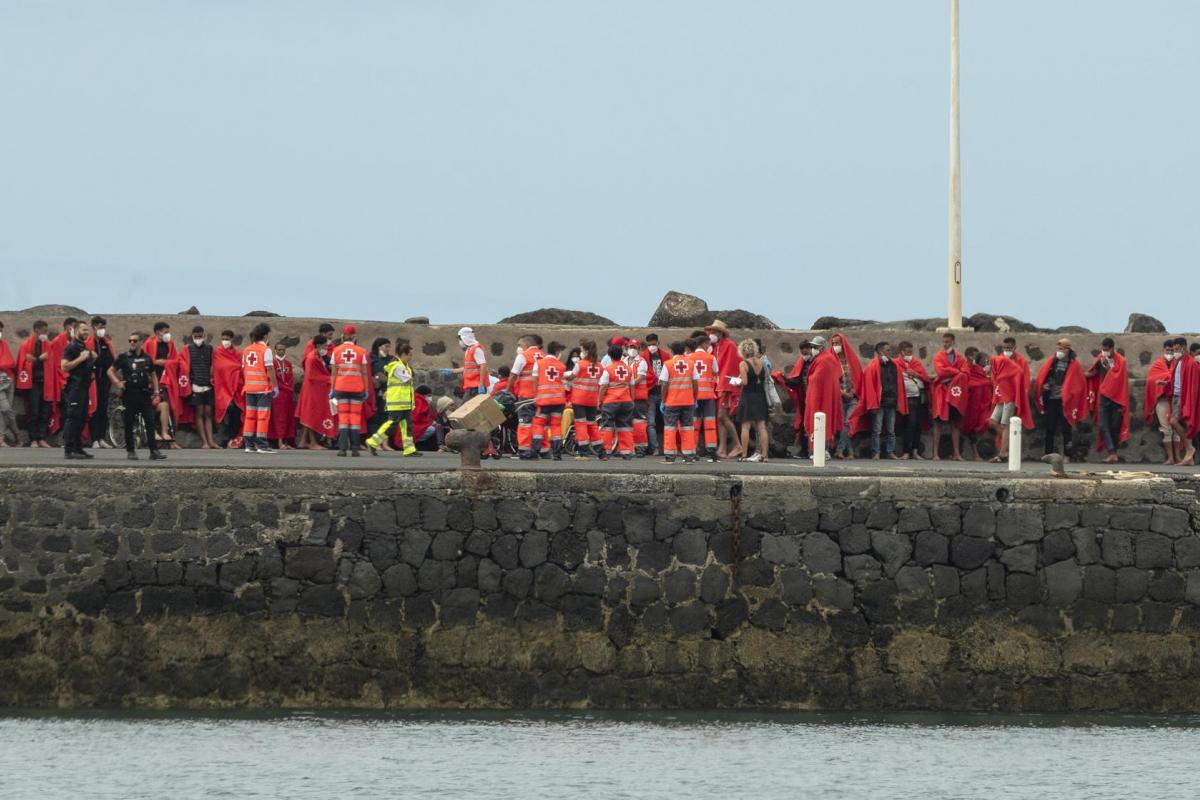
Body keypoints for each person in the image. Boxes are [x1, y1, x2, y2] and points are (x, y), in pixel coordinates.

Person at [107, 332, 166, 460]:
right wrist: (117, 383)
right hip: (130, 394)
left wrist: (156, 391)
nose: (132, 343)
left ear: (141, 342)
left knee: (150, 421)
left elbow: (153, 375)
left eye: (135, 340)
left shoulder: (147, 358)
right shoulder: (124, 357)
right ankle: (131, 451)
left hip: (144, 393)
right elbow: (110, 371)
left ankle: (154, 451)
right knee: (129, 422)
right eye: (130, 340)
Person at [1033, 338, 1088, 461]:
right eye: (1058, 349)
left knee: (1066, 429)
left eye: (1062, 349)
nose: (1059, 351)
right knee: (1050, 427)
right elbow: (1042, 377)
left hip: (1065, 402)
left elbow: (1079, 384)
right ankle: (1048, 454)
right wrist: (1043, 386)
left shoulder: (1074, 365)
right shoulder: (1052, 362)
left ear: (1068, 350)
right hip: (1051, 399)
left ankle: (1067, 455)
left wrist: (1068, 391)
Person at [849, 341, 905, 460]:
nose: (890, 352)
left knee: (891, 430)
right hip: (879, 404)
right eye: (888, 350)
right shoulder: (873, 367)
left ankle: (890, 452)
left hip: (891, 403)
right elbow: (869, 387)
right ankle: (876, 452)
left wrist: (898, 401)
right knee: (876, 430)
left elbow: (897, 384)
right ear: (880, 352)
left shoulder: (894, 365)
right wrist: (873, 404)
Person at [367, 342, 420, 456]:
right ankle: (373, 442)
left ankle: (409, 449)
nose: (411, 358)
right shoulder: (398, 366)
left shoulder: (403, 366)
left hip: (404, 402)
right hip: (397, 401)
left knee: (407, 426)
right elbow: (408, 379)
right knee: (392, 424)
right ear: (403, 354)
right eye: (409, 355)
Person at [1086, 337, 1129, 464]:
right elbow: (1094, 372)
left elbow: (1117, 377)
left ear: (1112, 348)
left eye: (1106, 349)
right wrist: (1079, 375)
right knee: (1103, 425)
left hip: (1117, 398)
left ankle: (1114, 453)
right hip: (1104, 396)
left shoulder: (1121, 361)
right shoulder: (1100, 358)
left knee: (1115, 427)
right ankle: (1111, 452)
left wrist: (1108, 367)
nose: (1104, 352)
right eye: (1103, 349)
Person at [330, 324, 371, 456]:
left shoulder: (336, 351)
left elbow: (333, 373)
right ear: (354, 337)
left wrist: (332, 389)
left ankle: (342, 449)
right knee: (355, 419)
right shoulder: (361, 351)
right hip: (357, 389)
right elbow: (365, 373)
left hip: (340, 388)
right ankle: (355, 449)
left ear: (342, 336)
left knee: (343, 419)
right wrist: (366, 389)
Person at [705, 320, 743, 459]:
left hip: (726, 386)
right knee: (720, 418)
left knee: (722, 416)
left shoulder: (730, 345)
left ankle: (737, 445)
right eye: (711, 331)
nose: (712, 334)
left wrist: (727, 384)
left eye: (715, 332)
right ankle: (722, 448)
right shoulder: (716, 346)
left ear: (721, 333)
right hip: (718, 385)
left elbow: (732, 366)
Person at [656, 341, 699, 463]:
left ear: (672, 351)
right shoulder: (691, 363)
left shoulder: (668, 364)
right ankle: (689, 456)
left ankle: (670, 457)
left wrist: (663, 400)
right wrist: (695, 399)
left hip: (672, 402)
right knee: (687, 428)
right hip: (688, 402)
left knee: (670, 428)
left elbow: (664, 384)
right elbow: (695, 383)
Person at [15, 320, 56, 447]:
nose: (46, 334)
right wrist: (39, 359)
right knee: (34, 412)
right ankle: (33, 439)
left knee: (45, 412)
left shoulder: (48, 345)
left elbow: (51, 364)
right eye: (44, 331)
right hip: (33, 384)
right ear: (36, 330)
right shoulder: (26, 345)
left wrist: (34, 360)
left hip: (46, 383)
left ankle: (42, 438)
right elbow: (24, 365)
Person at [988, 341, 1030, 462]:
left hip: (1011, 396)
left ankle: (1002, 454)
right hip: (1000, 395)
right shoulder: (999, 359)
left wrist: (1020, 394)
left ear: (1014, 347)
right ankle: (1013, 443)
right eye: (1005, 347)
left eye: (1009, 347)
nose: (1007, 350)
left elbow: (1023, 376)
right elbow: (993, 373)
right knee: (992, 422)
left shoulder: (1020, 361)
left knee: (1005, 424)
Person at [59, 320, 96, 459]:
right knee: (73, 417)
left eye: (87, 330)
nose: (86, 332)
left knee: (82, 418)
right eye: (83, 330)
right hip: (75, 387)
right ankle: (68, 450)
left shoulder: (83, 346)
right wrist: (81, 359)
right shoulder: (72, 347)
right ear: (75, 331)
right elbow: (64, 366)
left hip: (84, 387)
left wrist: (92, 358)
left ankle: (78, 448)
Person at [240, 323, 278, 454]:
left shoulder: (246, 350)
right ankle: (262, 445)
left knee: (250, 416)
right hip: (263, 388)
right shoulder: (266, 350)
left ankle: (249, 445)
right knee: (262, 416)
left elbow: (244, 368)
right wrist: (275, 386)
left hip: (249, 388)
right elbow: (270, 368)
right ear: (265, 336)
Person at [931, 333, 969, 461]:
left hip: (955, 394)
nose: (945, 344)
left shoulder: (960, 357)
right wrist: (956, 372)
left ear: (953, 342)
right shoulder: (938, 356)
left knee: (955, 424)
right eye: (943, 341)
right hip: (941, 393)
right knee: (938, 424)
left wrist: (952, 374)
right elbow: (940, 371)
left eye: (947, 341)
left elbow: (966, 372)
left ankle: (956, 453)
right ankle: (935, 453)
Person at [804, 336, 843, 459]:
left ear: (821, 347)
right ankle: (821, 450)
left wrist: (810, 378)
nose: (812, 349)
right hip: (823, 395)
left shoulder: (825, 359)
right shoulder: (825, 358)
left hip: (822, 397)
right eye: (812, 346)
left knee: (821, 423)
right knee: (822, 422)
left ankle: (822, 450)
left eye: (815, 347)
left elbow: (816, 378)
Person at [529, 341, 568, 460]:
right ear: (557, 351)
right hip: (559, 401)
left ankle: (535, 451)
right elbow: (564, 383)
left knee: (538, 424)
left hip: (543, 400)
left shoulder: (539, 363)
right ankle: (557, 454)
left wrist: (535, 396)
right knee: (556, 426)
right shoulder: (561, 366)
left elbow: (534, 380)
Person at [732, 339, 770, 462]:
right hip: (760, 396)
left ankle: (743, 455)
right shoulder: (762, 363)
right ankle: (765, 455)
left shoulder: (743, 364)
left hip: (748, 396)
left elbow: (745, 382)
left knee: (745, 426)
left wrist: (736, 382)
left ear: (742, 351)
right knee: (762, 427)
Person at [296, 334, 335, 450]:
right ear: (318, 345)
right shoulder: (311, 358)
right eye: (325, 346)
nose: (326, 348)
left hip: (315, 390)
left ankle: (303, 441)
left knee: (309, 415)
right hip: (311, 391)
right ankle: (313, 442)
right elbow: (312, 376)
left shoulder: (319, 357)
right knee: (311, 416)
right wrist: (329, 379)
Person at [1145, 339, 1180, 464]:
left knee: (1177, 430)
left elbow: (1181, 379)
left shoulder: (1178, 364)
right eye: (1168, 350)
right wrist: (1168, 377)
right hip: (1162, 400)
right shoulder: (1157, 364)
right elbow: (1151, 380)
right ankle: (1170, 458)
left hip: (1175, 400)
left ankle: (1178, 458)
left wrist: (1166, 379)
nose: (1170, 353)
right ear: (1163, 350)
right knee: (1166, 430)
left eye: (1172, 350)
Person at [597, 344, 635, 460]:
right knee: (625, 427)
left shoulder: (608, 369)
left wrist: (599, 400)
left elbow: (603, 386)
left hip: (610, 402)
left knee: (607, 427)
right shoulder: (628, 369)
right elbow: (632, 386)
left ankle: (606, 451)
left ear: (610, 356)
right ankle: (627, 452)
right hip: (626, 401)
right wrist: (632, 400)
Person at [509, 334, 545, 458]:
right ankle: (544, 451)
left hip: (526, 396)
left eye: (519, 344)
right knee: (540, 424)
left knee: (525, 423)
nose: (519, 347)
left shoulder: (523, 356)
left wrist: (507, 391)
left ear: (526, 344)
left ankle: (525, 450)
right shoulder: (544, 356)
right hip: (542, 396)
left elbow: (513, 375)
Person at [185, 325, 219, 449]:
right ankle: (204, 442)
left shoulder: (209, 349)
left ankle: (211, 441)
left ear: (204, 336)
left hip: (208, 385)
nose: (198, 339)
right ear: (192, 336)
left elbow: (214, 364)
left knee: (208, 413)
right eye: (196, 337)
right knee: (199, 413)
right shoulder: (188, 349)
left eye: (200, 336)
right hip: (196, 386)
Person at [830, 333, 863, 459]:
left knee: (848, 423)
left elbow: (858, 377)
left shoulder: (851, 359)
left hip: (852, 398)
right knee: (844, 425)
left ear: (843, 344)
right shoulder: (831, 360)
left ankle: (840, 450)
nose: (835, 346)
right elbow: (830, 380)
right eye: (833, 343)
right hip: (839, 398)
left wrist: (853, 392)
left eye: (837, 343)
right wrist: (842, 393)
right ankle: (849, 452)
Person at [567, 340, 602, 458]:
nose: (581, 352)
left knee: (581, 424)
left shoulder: (580, 364)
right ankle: (601, 452)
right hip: (592, 399)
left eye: (581, 350)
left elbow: (571, 377)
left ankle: (584, 452)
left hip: (579, 399)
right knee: (592, 425)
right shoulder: (600, 366)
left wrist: (563, 377)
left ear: (586, 351)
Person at [86, 316, 117, 448]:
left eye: (104, 327)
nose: (102, 330)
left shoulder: (106, 343)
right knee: (94, 409)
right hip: (93, 381)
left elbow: (111, 360)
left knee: (103, 409)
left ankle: (101, 438)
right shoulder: (89, 342)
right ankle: (94, 439)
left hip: (105, 380)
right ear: (94, 327)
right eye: (100, 327)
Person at [1169, 337, 1200, 465]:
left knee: (1173, 421)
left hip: (1184, 397)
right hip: (1176, 396)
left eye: (1177, 349)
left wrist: (1189, 400)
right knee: (1184, 425)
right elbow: (1177, 380)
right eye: (1174, 350)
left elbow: (1194, 385)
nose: (1175, 352)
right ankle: (1189, 457)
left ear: (1184, 347)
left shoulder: (1191, 363)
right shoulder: (1179, 362)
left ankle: (1190, 449)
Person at [689, 336, 720, 461]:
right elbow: (716, 373)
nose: (709, 346)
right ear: (703, 344)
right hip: (708, 396)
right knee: (710, 424)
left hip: (693, 396)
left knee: (693, 424)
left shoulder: (689, 358)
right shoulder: (711, 358)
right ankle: (711, 452)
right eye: (708, 344)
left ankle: (691, 451)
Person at [897, 341, 930, 459]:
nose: (910, 354)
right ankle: (906, 451)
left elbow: (925, 378)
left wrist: (915, 373)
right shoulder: (896, 363)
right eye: (908, 352)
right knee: (910, 423)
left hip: (920, 396)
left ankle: (915, 451)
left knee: (918, 424)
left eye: (911, 352)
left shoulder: (916, 362)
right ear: (902, 352)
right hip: (908, 397)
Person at [146, 321, 176, 446]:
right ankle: (153, 433)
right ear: (158, 332)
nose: (168, 334)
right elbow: (146, 361)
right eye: (166, 332)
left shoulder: (170, 344)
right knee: (149, 406)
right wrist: (156, 362)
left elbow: (175, 360)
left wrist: (167, 363)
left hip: (166, 380)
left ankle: (166, 435)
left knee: (168, 406)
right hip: (152, 381)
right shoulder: (149, 343)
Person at [212, 330, 244, 448]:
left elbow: (240, 368)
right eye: (223, 339)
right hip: (221, 389)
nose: (225, 341)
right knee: (224, 410)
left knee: (237, 410)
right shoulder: (217, 353)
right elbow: (218, 367)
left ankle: (233, 436)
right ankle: (223, 438)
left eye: (227, 339)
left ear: (232, 339)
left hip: (235, 389)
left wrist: (233, 370)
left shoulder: (237, 354)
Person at [785, 341, 815, 458]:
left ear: (810, 349)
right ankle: (804, 450)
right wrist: (785, 379)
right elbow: (797, 379)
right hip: (804, 397)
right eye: (802, 352)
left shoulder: (815, 362)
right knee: (804, 423)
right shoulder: (802, 362)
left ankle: (812, 450)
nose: (804, 354)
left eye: (806, 351)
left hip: (813, 397)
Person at [626, 339, 651, 456]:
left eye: (634, 347)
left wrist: (626, 384)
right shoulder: (623, 361)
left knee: (639, 423)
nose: (632, 349)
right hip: (625, 396)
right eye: (630, 347)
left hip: (638, 397)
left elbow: (640, 377)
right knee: (626, 422)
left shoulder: (642, 362)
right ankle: (628, 447)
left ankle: (640, 448)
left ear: (639, 349)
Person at [269, 341, 297, 448]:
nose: (281, 352)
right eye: (279, 350)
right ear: (275, 350)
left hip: (287, 394)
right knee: (279, 417)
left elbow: (290, 378)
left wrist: (288, 387)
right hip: (278, 394)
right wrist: (282, 387)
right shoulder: (272, 363)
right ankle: (279, 441)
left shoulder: (288, 363)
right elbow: (273, 378)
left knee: (287, 417)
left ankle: (286, 440)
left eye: (283, 350)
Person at [642, 334, 666, 455]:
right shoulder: (643, 357)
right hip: (650, 393)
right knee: (651, 423)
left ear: (658, 343)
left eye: (654, 344)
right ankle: (655, 448)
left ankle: (669, 447)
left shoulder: (665, 356)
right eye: (649, 344)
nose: (652, 346)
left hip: (663, 393)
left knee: (668, 422)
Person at [450, 327, 489, 398]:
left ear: (465, 338)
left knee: (466, 404)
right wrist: (452, 371)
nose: (459, 342)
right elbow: (468, 368)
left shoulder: (476, 349)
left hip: (476, 387)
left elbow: (483, 366)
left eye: (460, 339)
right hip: (471, 386)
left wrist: (481, 384)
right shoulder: (469, 350)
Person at [369, 337, 393, 437]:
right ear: (379, 347)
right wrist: (376, 377)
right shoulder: (370, 357)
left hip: (385, 392)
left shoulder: (391, 359)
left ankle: (383, 441)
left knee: (385, 416)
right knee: (374, 416)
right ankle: (373, 439)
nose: (388, 349)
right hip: (373, 392)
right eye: (386, 346)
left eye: (389, 347)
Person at [0, 319, 18, 446]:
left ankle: (2, 439)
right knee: (6, 409)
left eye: (1, 330)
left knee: (5, 411)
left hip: (8, 380)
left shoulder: (4, 344)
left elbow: (10, 362)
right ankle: (16, 434)